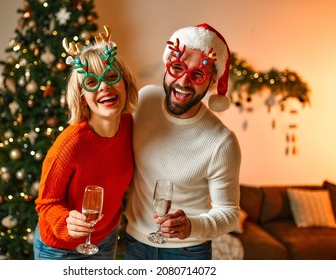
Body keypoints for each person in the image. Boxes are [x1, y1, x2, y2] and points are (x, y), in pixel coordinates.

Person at [124, 22, 241, 260]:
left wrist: (192, 226)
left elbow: (229, 213)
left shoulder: (222, 142)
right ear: (167, 68)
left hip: (188, 251)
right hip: (135, 243)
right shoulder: (145, 101)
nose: (184, 82)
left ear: (210, 81)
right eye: (178, 67)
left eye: (197, 74)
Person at [33, 26, 138, 260]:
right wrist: (66, 223)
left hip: (106, 237)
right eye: (92, 81)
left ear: (125, 83)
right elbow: (46, 203)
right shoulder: (70, 144)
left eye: (111, 76)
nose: (104, 86)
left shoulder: (132, 125)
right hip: (60, 248)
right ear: (82, 95)